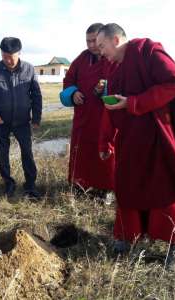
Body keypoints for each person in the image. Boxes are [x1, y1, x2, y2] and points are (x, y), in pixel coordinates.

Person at [96, 23, 175, 270]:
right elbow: (111, 107)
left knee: (165, 190)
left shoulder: (148, 52)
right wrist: (107, 139)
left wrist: (133, 102)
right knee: (127, 186)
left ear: (115, 40)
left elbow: (172, 85)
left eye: (102, 46)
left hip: (157, 137)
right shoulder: (117, 69)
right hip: (130, 140)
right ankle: (127, 235)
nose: (100, 52)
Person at [0, 37, 42, 198]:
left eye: (11, 56)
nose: (8, 60)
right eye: (4, 56)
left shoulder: (29, 69)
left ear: (19, 53)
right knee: (3, 154)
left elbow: (36, 95)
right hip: (1, 122)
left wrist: (36, 118)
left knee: (27, 153)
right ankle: (8, 184)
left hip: (22, 122)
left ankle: (30, 185)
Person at [63, 23, 115, 200]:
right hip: (83, 116)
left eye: (95, 41)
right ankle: (79, 185)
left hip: (104, 116)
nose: (92, 45)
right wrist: (73, 93)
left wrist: (106, 88)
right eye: (88, 41)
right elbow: (68, 80)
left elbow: (119, 83)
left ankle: (105, 190)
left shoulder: (110, 57)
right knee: (81, 153)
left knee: (103, 153)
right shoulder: (81, 59)